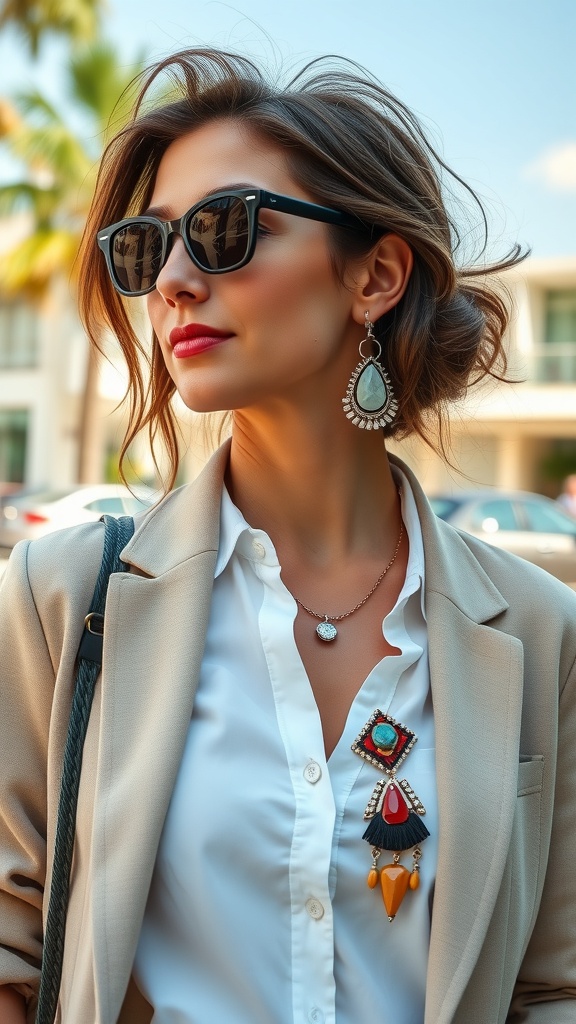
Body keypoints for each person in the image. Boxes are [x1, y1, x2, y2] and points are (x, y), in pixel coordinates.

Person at [1, 48, 575, 1024]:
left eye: (224, 230)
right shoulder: (64, 597)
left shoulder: (537, 629)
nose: (174, 281)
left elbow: (555, 979)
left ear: (376, 274)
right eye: (148, 248)